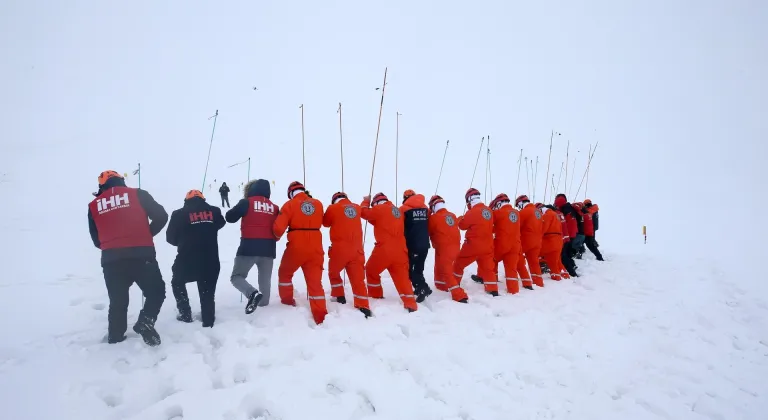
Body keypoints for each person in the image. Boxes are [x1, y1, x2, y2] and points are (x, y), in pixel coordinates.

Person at [87, 170, 168, 346]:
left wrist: (112, 246)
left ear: (102, 185)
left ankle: (115, 337)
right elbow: (162, 216)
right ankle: (145, 321)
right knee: (156, 292)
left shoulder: (93, 206)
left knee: (118, 301)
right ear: (121, 181)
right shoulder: (138, 194)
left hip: (111, 260)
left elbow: (96, 239)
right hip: (142, 255)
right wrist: (147, 234)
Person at [166, 190, 225, 327]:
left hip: (186, 259)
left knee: (177, 282)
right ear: (203, 199)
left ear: (186, 201)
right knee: (207, 293)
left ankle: (185, 314)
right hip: (210, 260)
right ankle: (208, 320)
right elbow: (221, 223)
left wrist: (182, 241)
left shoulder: (178, 214)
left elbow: (170, 238)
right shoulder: (215, 211)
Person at [273, 181, 328, 324]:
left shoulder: (289, 205)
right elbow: (323, 222)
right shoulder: (318, 204)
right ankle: (321, 316)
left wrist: (275, 237)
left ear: (291, 193)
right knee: (315, 283)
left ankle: (287, 303)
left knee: (285, 273)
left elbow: (278, 229)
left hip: (296, 248)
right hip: (316, 248)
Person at [225, 179, 279, 314]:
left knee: (236, 276)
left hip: (248, 247)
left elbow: (229, 217)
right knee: (265, 282)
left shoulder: (247, 202)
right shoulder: (275, 208)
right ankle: (264, 311)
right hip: (268, 249)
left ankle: (252, 293)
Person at [360, 192, 418, 312]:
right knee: (402, 278)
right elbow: (379, 221)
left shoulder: (380, 209)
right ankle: (410, 303)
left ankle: (376, 295)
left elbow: (364, 213)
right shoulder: (397, 211)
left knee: (371, 270)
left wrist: (366, 202)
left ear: (376, 203)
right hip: (401, 250)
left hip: (384, 250)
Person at [323, 191, 372, 317]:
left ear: (334, 200)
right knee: (358, 280)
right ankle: (363, 306)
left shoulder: (333, 208)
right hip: (357, 251)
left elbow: (325, 223)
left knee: (333, 272)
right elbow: (364, 209)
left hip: (339, 251)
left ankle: (339, 295)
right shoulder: (356, 207)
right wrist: (366, 200)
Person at [454, 188, 498, 296]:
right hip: (487, 246)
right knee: (488, 269)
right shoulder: (489, 211)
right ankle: (492, 289)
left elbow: (462, 226)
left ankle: (453, 285)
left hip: (473, 246)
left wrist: (460, 218)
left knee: (458, 264)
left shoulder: (472, 212)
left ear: (469, 199)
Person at [426, 195, 468, 303]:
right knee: (439, 266)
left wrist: (428, 215)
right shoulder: (452, 215)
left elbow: (428, 230)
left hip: (444, 248)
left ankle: (459, 295)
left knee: (446, 271)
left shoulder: (434, 218)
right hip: (455, 247)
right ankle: (440, 284)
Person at [400, 189, 432, 302]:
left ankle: (422, 288)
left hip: (412, 245)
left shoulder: (403, 209)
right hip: (425, 244)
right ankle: (421, 287)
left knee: (411, 270)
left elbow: (399, 225)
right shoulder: (425, 208)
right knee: (419, 268)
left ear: (405, 198)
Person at [488, 193, 523, 293]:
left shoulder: (498, 213)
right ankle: (513, 290)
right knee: (511, 269)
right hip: (515, 245)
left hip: (502, 244)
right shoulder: (517, 213)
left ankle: (492, 283)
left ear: (499, 203)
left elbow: (488, 224)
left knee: (491, 260)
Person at [515, 195, 544, 288]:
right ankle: (538, 282)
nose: (519, 208)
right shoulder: (538, 212)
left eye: (518, 206)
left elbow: (516, 225)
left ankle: (525, 280)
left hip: (527, 240)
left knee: (516, 257)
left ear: (520, 203)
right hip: (538, 241)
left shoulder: (524, 212)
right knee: (534, 262)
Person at [539, 203, 565, 281]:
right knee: (557, 260)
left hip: (550, 240)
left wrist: (538, 235)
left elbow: (544, 228)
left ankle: (556, 277)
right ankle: (564, 274)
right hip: (559, 239)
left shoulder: (547, 215)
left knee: (545, 257)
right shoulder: (556, 215)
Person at [554, 194, 584, 261]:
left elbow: (562, 222)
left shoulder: (564, 209)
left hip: (568, 234)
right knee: (568, 252)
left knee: (564, 253)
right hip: (574, 232)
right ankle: (571, 264)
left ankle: (569, 265)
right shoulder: (570, 208)